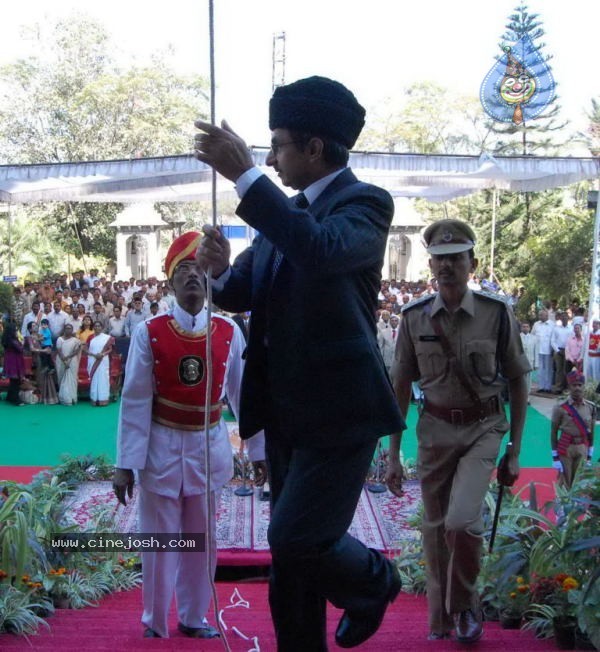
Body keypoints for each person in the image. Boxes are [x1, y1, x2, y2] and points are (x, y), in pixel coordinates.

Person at [194, 75, 404, 651]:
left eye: (278, 145)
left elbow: (318, 250)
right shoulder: (285, 212)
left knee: (296, 536)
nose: (269, 158)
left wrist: (243, 175)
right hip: (283, 411)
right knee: (291, 566)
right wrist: (217, 271)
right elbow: (241, 291)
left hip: (341, 413)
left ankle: (375, 581)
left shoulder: (364, 205)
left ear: (314, 148)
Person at [113, 232, 265, 640]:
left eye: (200, 269)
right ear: (170, 281)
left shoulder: (228, 330)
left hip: (207, 446)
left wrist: (258, 450)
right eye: (184, 270)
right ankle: (155, 621)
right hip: (160, 448)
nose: (193, 277)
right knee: (160, 542)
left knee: (201, 541)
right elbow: (135, 400)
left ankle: (195, 617)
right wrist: (126, 464)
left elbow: (241, 395)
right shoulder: (151, 331)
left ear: (210, 276)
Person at [387, 219, 529, 643]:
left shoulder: (496, 313)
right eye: (439, 259)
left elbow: (519, 380)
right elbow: (398, 388)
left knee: (462, 522)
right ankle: (442, 622)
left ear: (473, 262)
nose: (446, 267)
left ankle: (465, 604)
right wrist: (393, 454)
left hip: (484, 428)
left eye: (455, 258)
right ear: (431, 263)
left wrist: (516, 449)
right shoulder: (413, 319)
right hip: (434, 430)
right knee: (434, 529)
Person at [551, 370, 595, 489]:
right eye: (574, 385)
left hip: (582, 447)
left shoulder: (590, 407)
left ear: (583, 386)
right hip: (566, 447)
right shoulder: (560, 408)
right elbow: (553, 432)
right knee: (565, 481)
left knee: (579, 482)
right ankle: (561, 506)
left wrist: (590, 453)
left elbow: (592, 432)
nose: (577, 388)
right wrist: (555, 456)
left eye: (580, 385)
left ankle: (576, 507)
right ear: (569, 387)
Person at [84, 321, 114, 406]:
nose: (97, 328)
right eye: (95, 326)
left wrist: (102, 354)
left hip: (103, 360)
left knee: (103, 379)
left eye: (99, 326)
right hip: (93, 360)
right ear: (93, 327)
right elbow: (85, 349)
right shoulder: (90, 337)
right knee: (94, 379)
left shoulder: (107, 338)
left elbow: (110, 349)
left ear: (102, 327)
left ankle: (103, 399)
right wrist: (94, 355)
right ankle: (94, 399)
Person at [55, 323, 81, 406]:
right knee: (61, 379)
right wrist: (64, 360)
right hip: (61, 361)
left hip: (72, 361)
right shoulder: (60, 339)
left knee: (72, 379)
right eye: (66, 328)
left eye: (70, 328)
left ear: (72, 330)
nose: (68, 330)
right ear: (64, 329)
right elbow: (59, 351)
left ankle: (72, 398)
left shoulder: (76, 340)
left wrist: (68, 358)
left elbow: (76, 351)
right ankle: (64, 398)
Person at [2, 322, 26, 406]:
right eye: (16, 330)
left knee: (13, 380)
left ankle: (9, 397)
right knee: (16, 381)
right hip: (14, 361)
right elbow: (20, 348)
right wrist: (22, 341)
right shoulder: (13, 340)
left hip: (10, 360)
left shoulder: (7, 339)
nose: (17, 331)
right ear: (12, 331)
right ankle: (16, 399)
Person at [532, 309, 554, 393]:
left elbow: (553, 337)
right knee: (540, 369)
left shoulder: (552, 324)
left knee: (548, 369)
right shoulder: (536, 324)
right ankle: (541, 386)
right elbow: (532, 335)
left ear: (546, 316)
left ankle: (548, 387)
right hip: (538, 350)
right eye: (539, 315)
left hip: (548, 350)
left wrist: (553, 349)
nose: (540, 316)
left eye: (542, 315)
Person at [520, 321, 537, 399]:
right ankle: (520, 397)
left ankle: (527, 397)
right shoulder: (518, 337)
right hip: (520, 362)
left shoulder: (534, 338)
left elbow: (536, 351)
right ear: (521, 328)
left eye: (527, 326)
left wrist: (536, 364)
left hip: (530, 361)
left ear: (530, 328)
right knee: (521, 380)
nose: (525, 328)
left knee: (528, 381)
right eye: (524, 326)